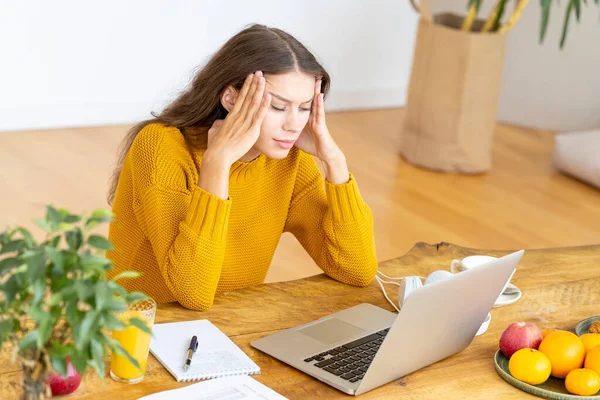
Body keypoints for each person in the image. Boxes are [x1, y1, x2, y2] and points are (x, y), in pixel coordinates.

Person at [106, 24, 378, 311]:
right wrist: (218, 163)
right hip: (132, 329)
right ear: (231, 98)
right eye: (278, 106)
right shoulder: (162, 146)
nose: (294, 124)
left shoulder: (289, 162)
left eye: (304, 107)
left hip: (223, 327)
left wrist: (335, 162)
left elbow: (356, 270)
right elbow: (193, 291)